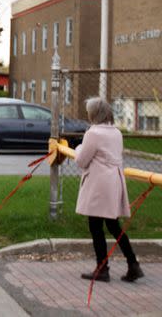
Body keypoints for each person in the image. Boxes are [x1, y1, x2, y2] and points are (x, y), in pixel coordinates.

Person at [76, 97, 144, 283]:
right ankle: (133, 263)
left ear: (94, 114)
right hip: (114, 181)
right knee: (113, 225)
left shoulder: (93, 133)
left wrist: (79, 147)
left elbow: (82, 160)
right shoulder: (116, 132)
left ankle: (102, 268)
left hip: (98, 183)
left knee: (95, 226)